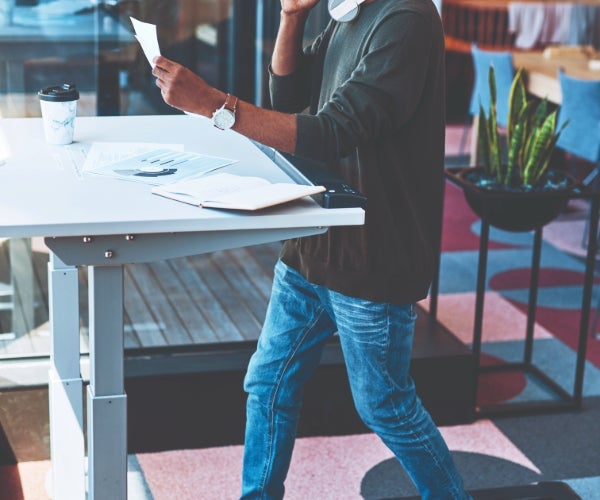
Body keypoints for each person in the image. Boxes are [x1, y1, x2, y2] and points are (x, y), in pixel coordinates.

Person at [152, 0, 470, 498]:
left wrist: (214, 104)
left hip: (373, 251)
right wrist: (292, 18)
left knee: (385, 405)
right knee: (268, 383)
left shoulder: (405, 19)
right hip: (316, 238)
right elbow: (290, 96)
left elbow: (332, 132)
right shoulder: (350, 13)